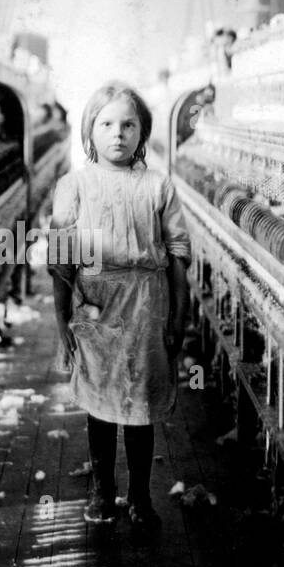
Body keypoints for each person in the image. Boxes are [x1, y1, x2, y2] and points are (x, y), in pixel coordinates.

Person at [47, 82, 192, 528]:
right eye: (106, 124)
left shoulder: (158, 185)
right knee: (101, 403)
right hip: (95, 307)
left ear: (142, 132)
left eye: (129, 125)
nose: (118, 134)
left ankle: (140, 496)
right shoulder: (72, 186)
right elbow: (60, 266)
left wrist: (179, 322)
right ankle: (103, 490)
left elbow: (179, 258)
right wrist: (61, 326)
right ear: (90, 131)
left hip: (148, 306)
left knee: (141, 407)